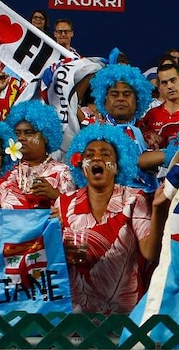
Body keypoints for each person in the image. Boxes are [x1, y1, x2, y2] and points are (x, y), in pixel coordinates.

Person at [57, 124, 168, 314]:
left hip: (125, 317)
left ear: (117, 167)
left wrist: (157, 209)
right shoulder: (64, 202)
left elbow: (150, 253)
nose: (97, 158)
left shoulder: (135, 198)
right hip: (76, 316)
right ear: (81, 165)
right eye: (89, 154)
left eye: (106, 154)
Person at [89, 63, 157, 192]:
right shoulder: (92, 136)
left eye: (127, 94)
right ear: (104, 99)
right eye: (114, 94)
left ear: (137, 100)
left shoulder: (151, 134)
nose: (120, 99)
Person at [0, 101, 76, 209]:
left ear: (46, 136)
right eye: (17, 133)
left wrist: (55, 195)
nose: (21, 138)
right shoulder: (4, 169)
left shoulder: (63, 172)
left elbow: (72, 215)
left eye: (29, 133)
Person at [139, 62, 179, 148]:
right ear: (159, 86)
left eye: (173, 80)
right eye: (164, 83)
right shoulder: (152, 114)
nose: (170, 86)